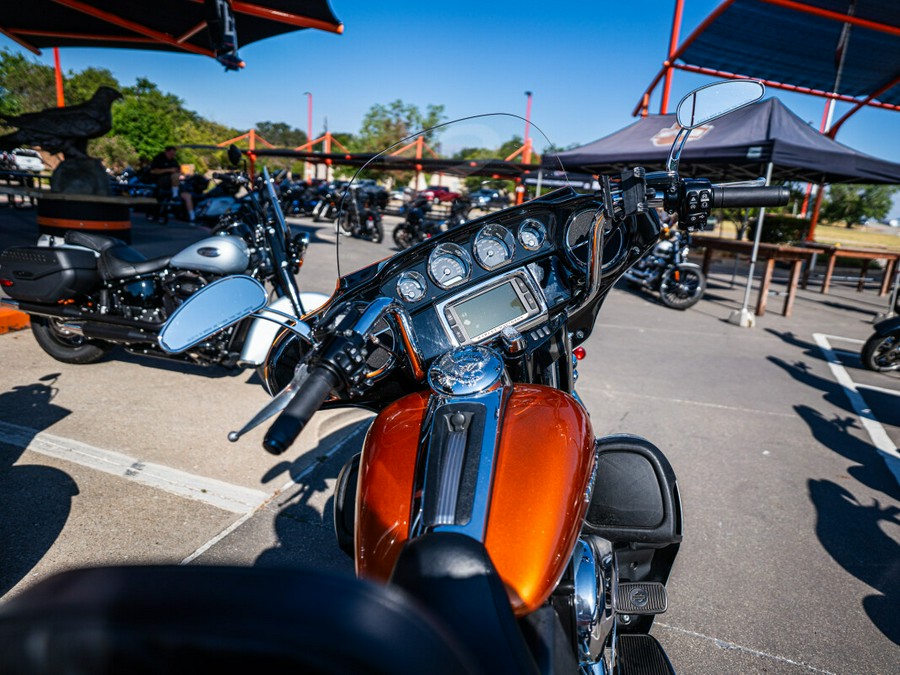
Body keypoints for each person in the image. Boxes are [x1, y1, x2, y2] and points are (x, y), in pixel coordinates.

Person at [150, 146, 195, 222]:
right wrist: (169, 170)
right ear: (167, 152)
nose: (172, 155)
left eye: (174, 154)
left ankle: (192, 216)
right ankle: (174, 196)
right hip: (162, 180)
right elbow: (153, 171)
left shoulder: (174, 161)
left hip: (175, 183)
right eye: (171, 153)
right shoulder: (159, 158)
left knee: (187, 195)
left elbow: (178, 171)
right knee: (174, 176)